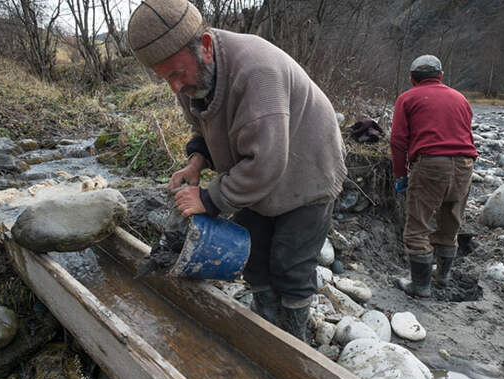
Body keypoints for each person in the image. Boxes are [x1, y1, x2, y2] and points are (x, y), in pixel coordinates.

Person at [127, 0, 347, 341]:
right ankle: (267, 325)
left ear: (205, 46)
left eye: (175, 74)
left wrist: (209, 199)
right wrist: (196, 163)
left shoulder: (257, 71)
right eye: (163, 77)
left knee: (290, 264)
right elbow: (202, 129)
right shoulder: (191, 78)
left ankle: (294, 341)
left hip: (308, 167)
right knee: (254, 256)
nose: (173, 87)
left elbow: (267, 162)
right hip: (254, 167)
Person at [389, 55, 478, 297]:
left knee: (418, 227)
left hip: (430, 164)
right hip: (465, 164)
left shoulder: (407, 98)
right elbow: (466, 134)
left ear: (412, 78)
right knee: (451, 222)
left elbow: (397, 141)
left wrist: (400, 175)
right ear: (440, 76)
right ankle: (442, 278)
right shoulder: (460, 98)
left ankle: (420, 286)